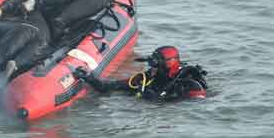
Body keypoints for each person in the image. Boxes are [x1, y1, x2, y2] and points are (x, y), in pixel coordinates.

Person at [76, 46, 209, 101]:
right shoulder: (145, 78)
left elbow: (196, 108)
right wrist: (89, 78)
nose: (151, 69)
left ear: (165, 65)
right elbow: (109, 87)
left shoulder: (190, 84)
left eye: (155, 65)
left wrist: (158, 100)